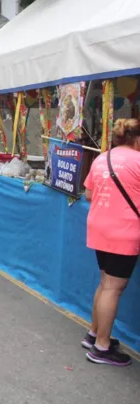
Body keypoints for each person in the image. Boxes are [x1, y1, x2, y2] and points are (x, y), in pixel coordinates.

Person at [82, 118, 140, 366]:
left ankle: (94, 333)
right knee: (113, 288)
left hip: (99, 228)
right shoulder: (138, 160)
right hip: (123, 232)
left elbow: (88, 194)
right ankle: (101, 347)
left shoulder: (101, 158)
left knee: (106, 283)